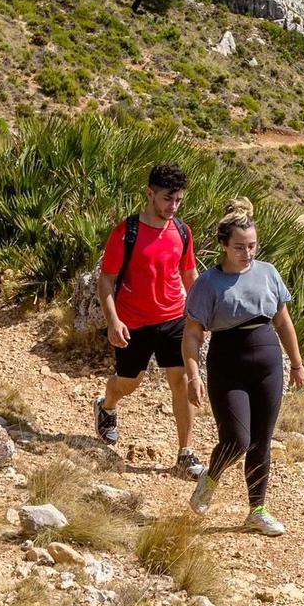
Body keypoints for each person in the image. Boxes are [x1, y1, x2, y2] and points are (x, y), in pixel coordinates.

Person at [184, 197, 304, 534]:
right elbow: (192, 335)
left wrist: (296, 363)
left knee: (261, 440)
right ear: (224, 245)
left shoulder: (268, 273)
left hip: (268, 361)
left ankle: (257, 510)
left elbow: (283, 322)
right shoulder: (208, 283)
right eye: (239, 246)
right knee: (237, 439)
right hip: (227, 364)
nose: (247, 253)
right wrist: (193, 375)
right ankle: (211, 477)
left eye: (252, 246)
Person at [93, 163, 206, 478]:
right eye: (168, 199)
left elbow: (189, 274)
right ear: (150, 194)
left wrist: (200, 314)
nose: (173, 207)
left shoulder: (182, 231)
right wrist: (113, 320)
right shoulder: (125, 231)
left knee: (180, 382)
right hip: (134, 322)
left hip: (174, 319)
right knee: (129, 383)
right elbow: (106, 281)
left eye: (178, 201)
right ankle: (107, 405)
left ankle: (185, 454)